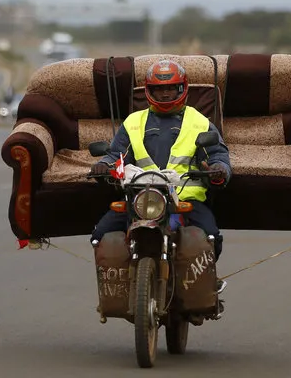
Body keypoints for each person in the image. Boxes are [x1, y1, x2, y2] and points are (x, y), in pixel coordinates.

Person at [89, 59, 231, 292]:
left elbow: (218, 156)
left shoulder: (200, 122)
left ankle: (205, 281)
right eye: (158, 89)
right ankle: (121, 284)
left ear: (181, 89)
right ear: (149, 91)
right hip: (140, 199)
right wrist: (103, 165)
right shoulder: (133, 122)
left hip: (184, 200)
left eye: (170, 88)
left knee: (211, 236)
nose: (165, 94)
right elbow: (116, 155)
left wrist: (219, 170)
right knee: (99, 235)